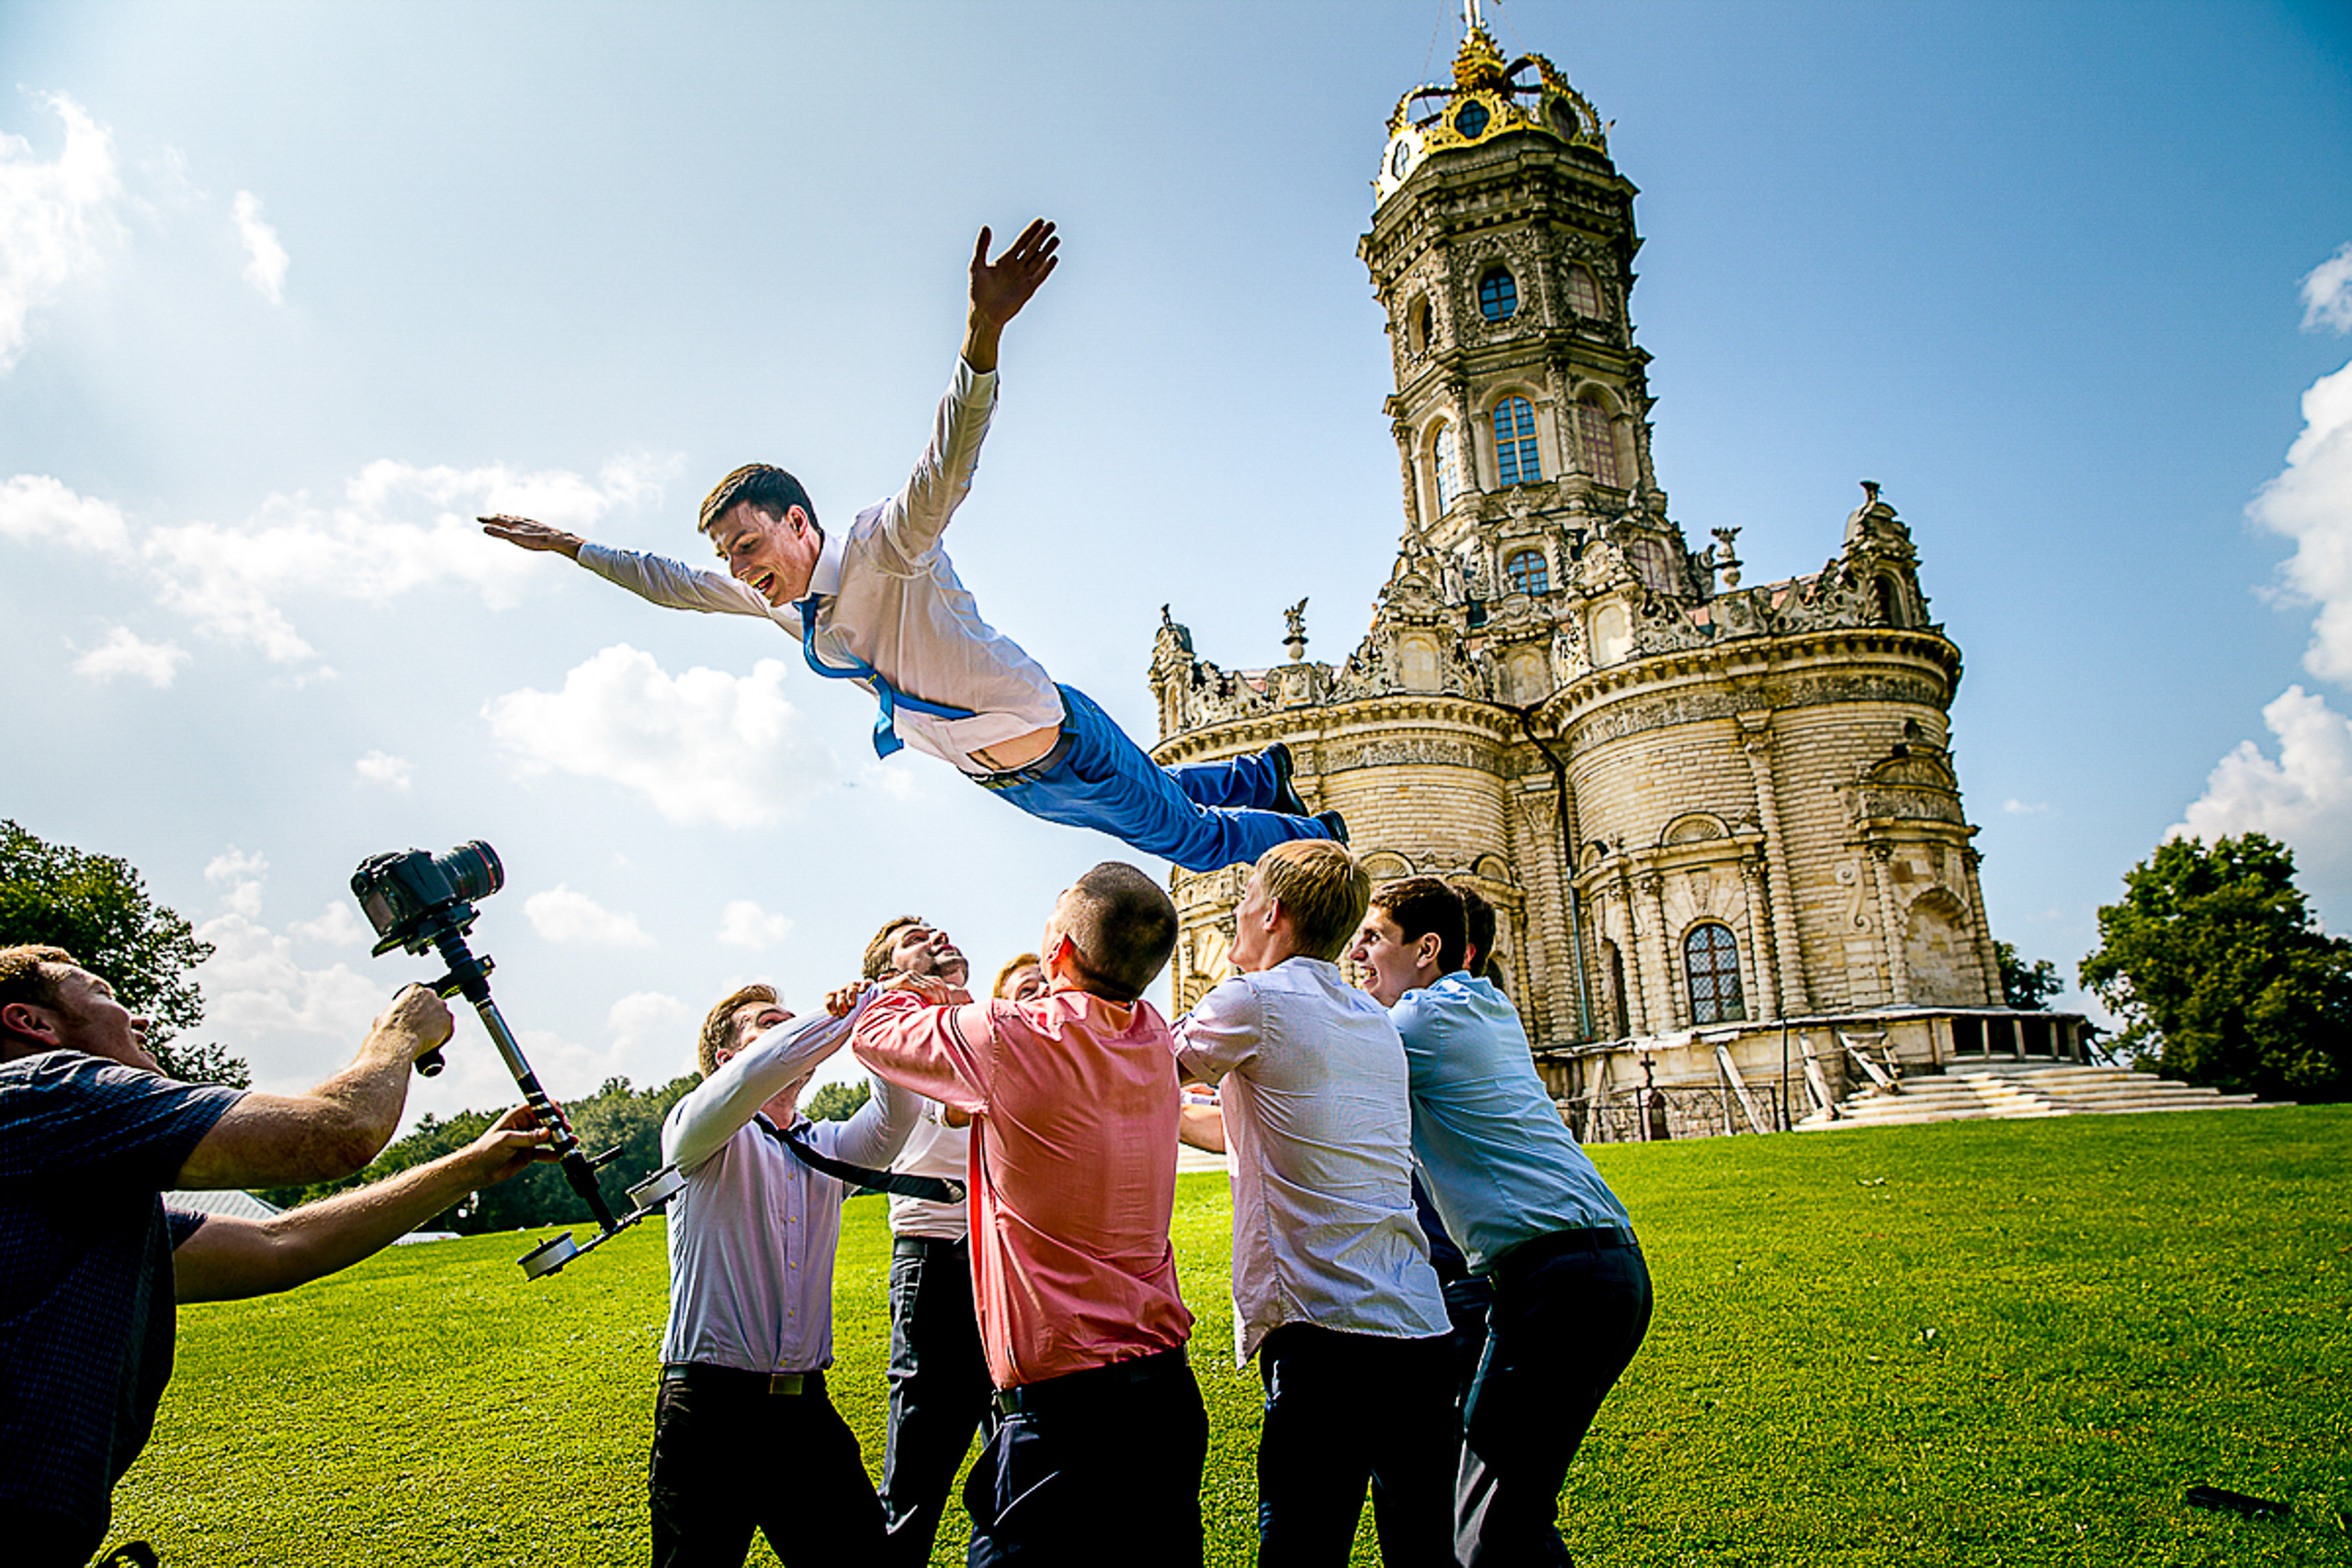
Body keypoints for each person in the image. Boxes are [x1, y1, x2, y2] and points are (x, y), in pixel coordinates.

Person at [480, 220, 1342, 874]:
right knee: (1165, 802)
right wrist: (570, 546)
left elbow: (949, 460)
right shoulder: (783, 603)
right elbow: (672, 583)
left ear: (797, 522)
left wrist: (983, 333)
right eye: (730, 557)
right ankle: (1264, 771)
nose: (739, 570)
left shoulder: (883, 546)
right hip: (1016, 782)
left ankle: (1321, 837)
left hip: (1055, 734)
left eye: (747, 544)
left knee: (1189, 842)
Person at [0, 945, 554, 1568]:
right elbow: (336, 1133)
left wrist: (465, 1168)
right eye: (101, 992)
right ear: (33, 1023)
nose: (138, 1017)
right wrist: (397, 1035)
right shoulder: (44, 1089)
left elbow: (280, 1245)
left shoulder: (75, 1192)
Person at [846, 863, 1205, 1568]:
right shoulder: (1153, 1036)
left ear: (1061, 953)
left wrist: (915, 973)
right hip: (1165, 1390)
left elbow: (875, 1030)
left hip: (1065, 1407)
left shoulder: (1014, 1035)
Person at [1350, 880, 1653, 1568]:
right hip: (1594, 1268)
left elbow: (1321, 1075)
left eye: (1373, 936)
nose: (1356, 950)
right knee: (1503, 1511)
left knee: (1490, 1529)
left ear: (1427, 948)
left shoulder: (1421, 1023)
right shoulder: (1481, 1003)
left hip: (1559, 1279)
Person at [1170, 842, 1455, 1567]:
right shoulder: (1370, 1020)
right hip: (1417, 1326)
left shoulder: (1251, 999)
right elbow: (1263, 1126)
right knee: (1424, 1548)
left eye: (1246, 894)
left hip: (1325, 1330)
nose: (1234, 908)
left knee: (1302, 1547)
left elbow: (1134, 1073)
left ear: (1272, 913)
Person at [650, 978, 924, 1568]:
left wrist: (879, 1025)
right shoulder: (697, 1131)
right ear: (725, 1059)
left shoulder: (824, 1145)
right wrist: (855, 1010)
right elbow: (760, 1072)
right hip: (709, 1408)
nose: (792, 1032)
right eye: (770, 1023)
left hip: (804, 1409)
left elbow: (896, 1117)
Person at [855, 916, 996, 1567]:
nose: (940, 938)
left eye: (942, 932)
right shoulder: (903, 1029)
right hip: (937, 1263)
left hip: (1004, 1263)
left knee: (1014, 1459)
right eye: (917, 937)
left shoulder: (980, 1020)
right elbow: (955, 1102)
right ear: (886, 973)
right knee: (917, 1474)